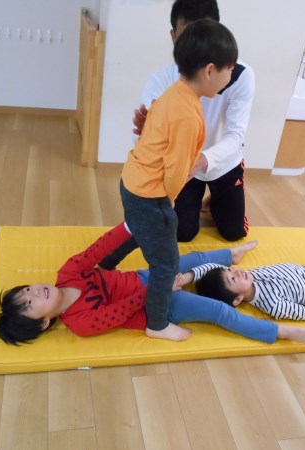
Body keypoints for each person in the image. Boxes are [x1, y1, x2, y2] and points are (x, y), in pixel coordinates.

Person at [99, 0, 255, 271]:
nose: (198, 48)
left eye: (204, 36)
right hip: (181, 171)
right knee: (182, 233)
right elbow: (151, 149)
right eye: (189, 38)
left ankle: (217, 197)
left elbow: (236, 135)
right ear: (174, 37)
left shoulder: (238, 74)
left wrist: (201, 161)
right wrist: (149, 134)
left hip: (221, 163)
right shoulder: (162, 82)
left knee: (233, 232)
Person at [0, 222, 305, 346]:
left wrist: (129, 226)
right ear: (43, 322)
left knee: (191, 259)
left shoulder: (67, 273)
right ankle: (280, 332)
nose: (34, 292)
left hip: (143, 278)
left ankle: (230, 254)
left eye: (27, 289)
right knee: (218, 311)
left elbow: (98, 249)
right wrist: (162, 288)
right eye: (30, 303)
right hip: (154, 307)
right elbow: (121, 311)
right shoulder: (80, 323)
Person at [119, 18, 240, 342]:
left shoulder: (173, 93)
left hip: (132, 181)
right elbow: (175, 171)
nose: (231, 76)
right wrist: (169, 201)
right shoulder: (189, 114)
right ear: (211, 70)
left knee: (139, 228)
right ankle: (157, 323)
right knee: (165, 264)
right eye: (229, 70)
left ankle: (105, 262)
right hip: (150, 193)